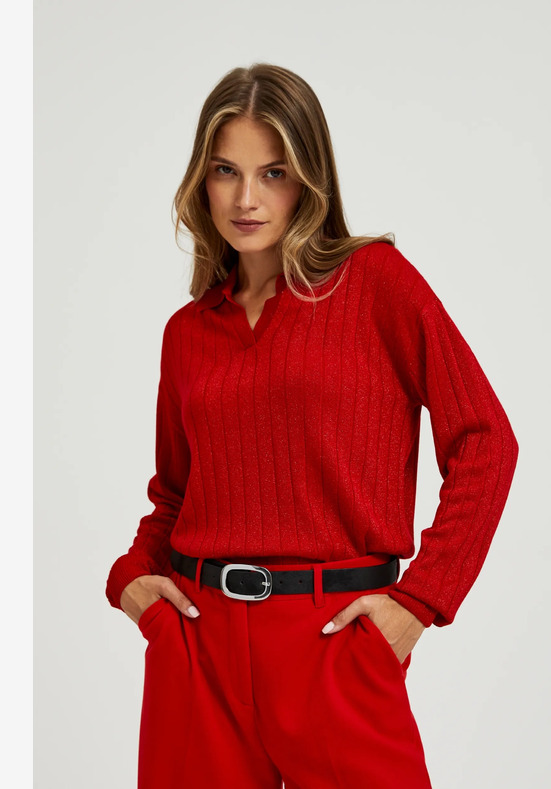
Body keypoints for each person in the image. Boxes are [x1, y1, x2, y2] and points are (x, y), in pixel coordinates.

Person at [105, 63, 519, 789]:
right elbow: (175, 492)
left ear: (309, 180)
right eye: (226, 170)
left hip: (333, 645)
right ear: (201, 180)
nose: (246, 198)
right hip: (199, 651)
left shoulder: (375, 282)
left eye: (273, 173)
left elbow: (486, 438)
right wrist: (133, 581)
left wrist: (419, 602)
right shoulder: (188, 332)